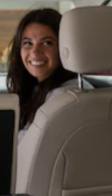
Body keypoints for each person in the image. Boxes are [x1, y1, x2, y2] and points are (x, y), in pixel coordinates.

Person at [7, 8, 89, 142]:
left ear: (63, 48)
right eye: (28, 43)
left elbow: (24, 151)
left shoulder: (63, 98)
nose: (35, 52)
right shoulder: (44, 91)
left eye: (47, 43)